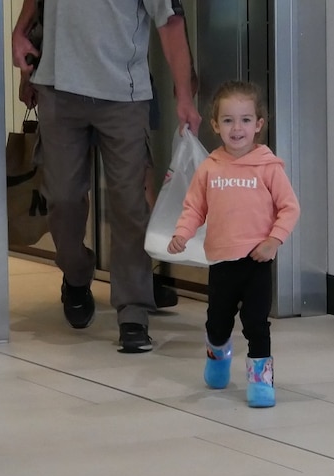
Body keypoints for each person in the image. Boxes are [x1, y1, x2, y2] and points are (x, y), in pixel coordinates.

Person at [12, 0, 202, 352]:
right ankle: (77, 273)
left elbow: (170, 23)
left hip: (123, 95)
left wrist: (184, 97)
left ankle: (133, 311)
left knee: (129, 205)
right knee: (63, 199)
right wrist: (20, 33)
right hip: (57, 88)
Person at [167, 81, 300, 408]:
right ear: (215, 126)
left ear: (258, 125)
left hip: (257, 262)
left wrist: (273, 240)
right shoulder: (210, 168)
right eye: (227, 120)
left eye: (244, 120)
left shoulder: (268, 168)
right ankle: (218, 355)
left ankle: (261, 382)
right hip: (223, 263)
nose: (236, 128)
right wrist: (182, 233)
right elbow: (195, 207)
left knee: (256, 323)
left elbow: (289, 207)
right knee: (218, 322)